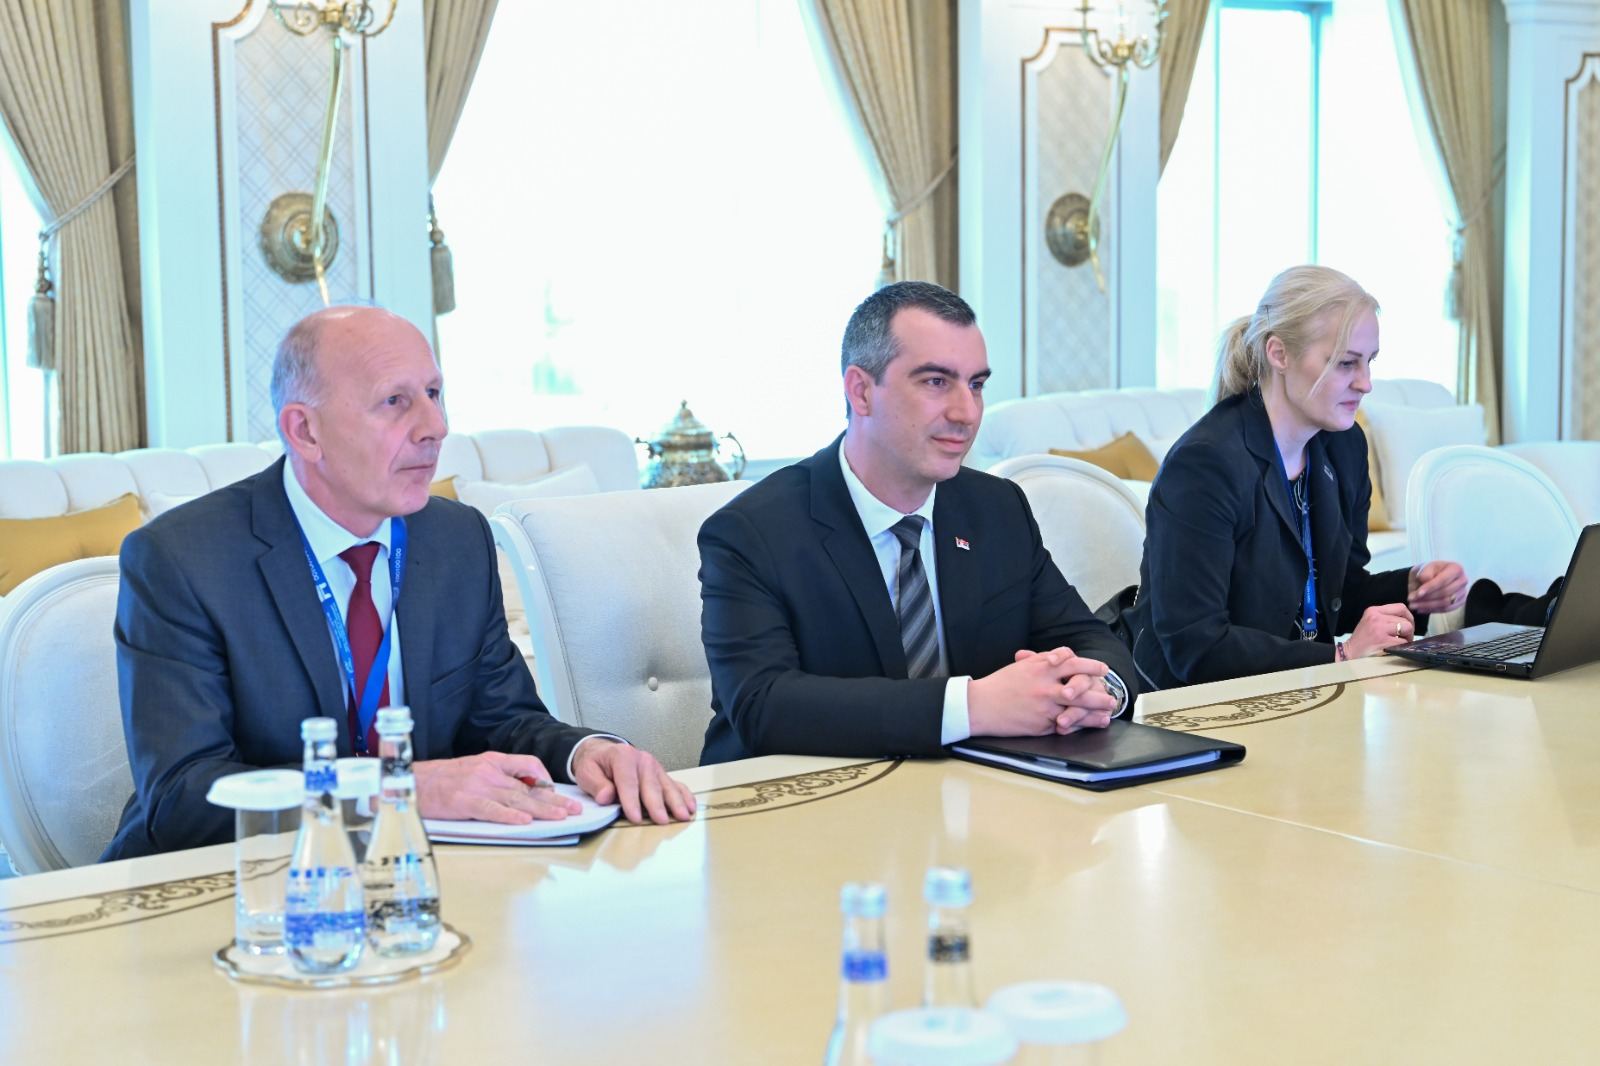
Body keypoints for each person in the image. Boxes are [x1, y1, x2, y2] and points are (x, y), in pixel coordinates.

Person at [105, 306, 695, 860]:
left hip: (421, 875)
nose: (436, 427)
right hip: (232, 887)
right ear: (305, 431)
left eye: (434, 394)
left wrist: (585, 753)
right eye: (395, 401)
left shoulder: (455, 539)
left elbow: (502, 721)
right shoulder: (183, 560)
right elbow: (184, 798)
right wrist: (397, 788)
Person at [697, 281, 1137, 765]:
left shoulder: (997, 507)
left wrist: (1096, 692)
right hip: (798, 798)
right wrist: (972, 707)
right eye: (935, 382)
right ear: (861, 391)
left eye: (976, 385)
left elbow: (1090, 639)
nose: (966, 413)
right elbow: (764, 707)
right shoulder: (751, 532)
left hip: (974, 793)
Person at [1121, 265, 1468, 690]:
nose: (1366, 383)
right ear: (1279, 354)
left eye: (1369, 362)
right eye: (1345, 363)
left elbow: (1336, 593)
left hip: (1301, 691)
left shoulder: (1344, 446)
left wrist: (1411, 589)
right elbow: (1194, 645)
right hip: (1190, 705)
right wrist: (1340, 656)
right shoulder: (1204, 465)